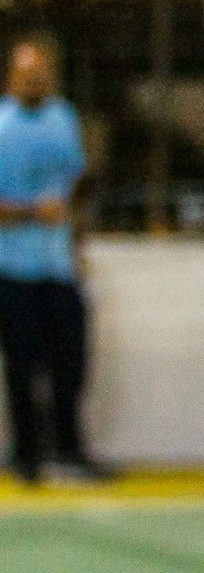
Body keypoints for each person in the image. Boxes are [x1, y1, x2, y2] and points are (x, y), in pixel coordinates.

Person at [0, 38, 105, 484]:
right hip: (13, 269)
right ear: (11, 77)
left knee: (70, 362)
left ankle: (70, 448)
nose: (36, 79)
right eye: (27, 73)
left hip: (59, 267)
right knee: (22, 368)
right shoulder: (2, 125)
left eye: (42, 71)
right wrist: (29, 212)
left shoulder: (64, 118)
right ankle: (27, 455)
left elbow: (74, 184)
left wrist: (76, 244)